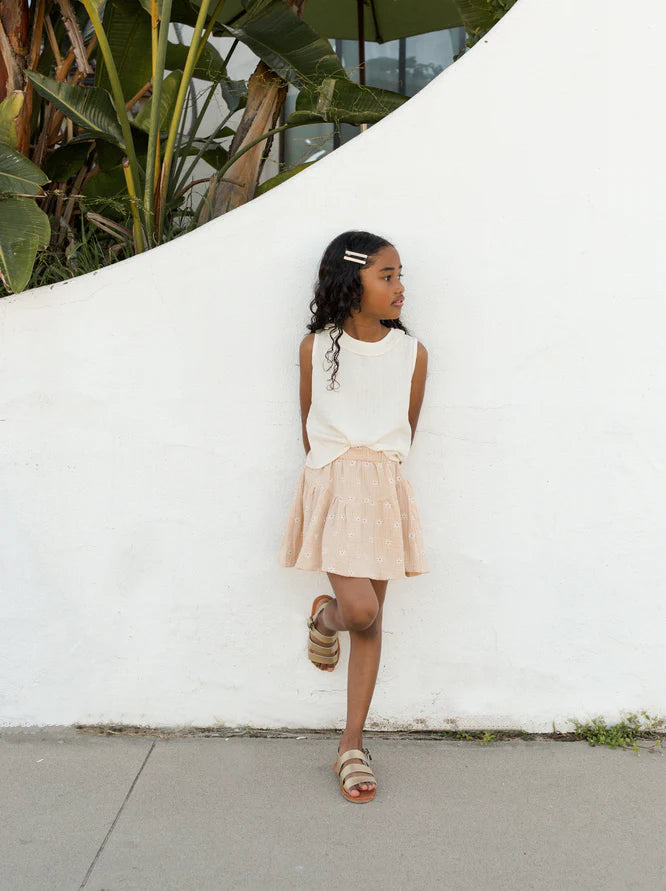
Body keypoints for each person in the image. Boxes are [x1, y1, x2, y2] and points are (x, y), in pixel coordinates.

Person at [277, 229, 430, 803]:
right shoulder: (315, 349)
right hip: (334, 485)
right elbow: (309, 425)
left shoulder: (413, 355)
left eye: (399, 275)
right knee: (359, 609)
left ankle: (351, 745)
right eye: (386, 276)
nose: (399, 287)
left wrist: (376, 478)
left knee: (371, 621)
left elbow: (405, 431)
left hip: (382, 489)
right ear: (350, 282)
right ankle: (327, 616)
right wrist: (333, 482)